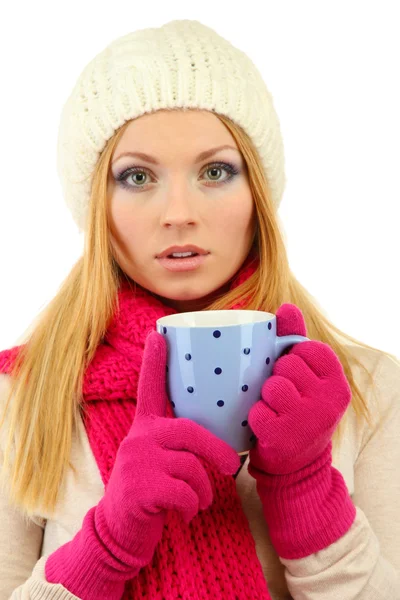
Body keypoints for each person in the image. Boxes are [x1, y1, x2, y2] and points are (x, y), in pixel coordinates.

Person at [0, 18, 399, 600]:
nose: (179, 212)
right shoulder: (23, 395)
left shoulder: (366, 389)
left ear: (257, 191)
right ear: (94, 208)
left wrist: (307, 487)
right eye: (136, 176)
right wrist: (105, 547)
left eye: (216, 171)